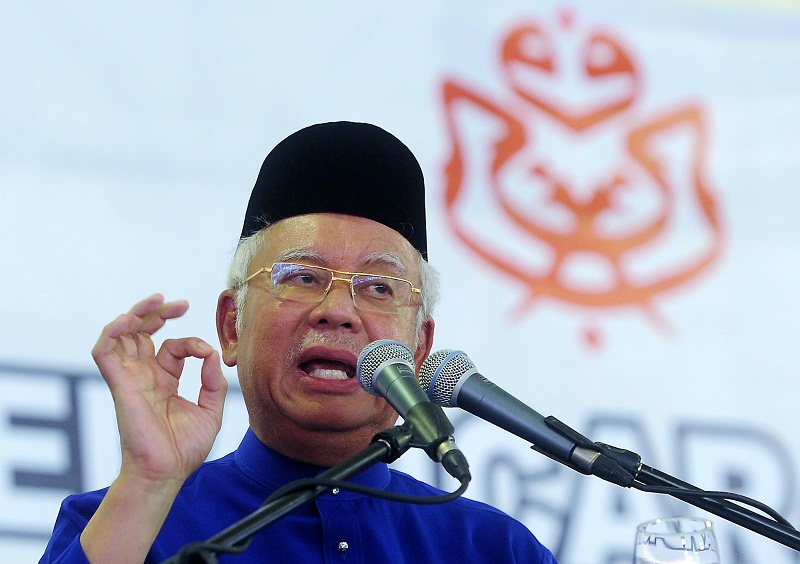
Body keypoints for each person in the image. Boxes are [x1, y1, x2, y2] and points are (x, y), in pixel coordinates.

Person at [40, 121, 557, 563]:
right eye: (303, 277)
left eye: (379, 287)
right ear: (232, 327)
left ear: (419, 351)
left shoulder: (494, 549)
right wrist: (149, 481)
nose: (338, 311)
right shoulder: (117, 525)